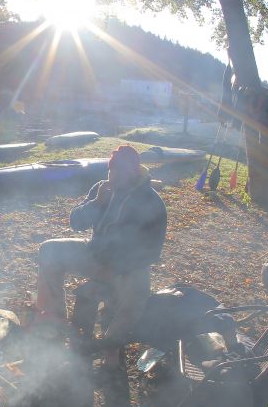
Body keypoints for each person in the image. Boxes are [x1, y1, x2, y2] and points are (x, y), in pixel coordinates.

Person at [32, 144, 167, 345]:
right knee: (49, 250)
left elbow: (152, 251)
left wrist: (115, 268)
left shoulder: (150, 201)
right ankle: (55, 318)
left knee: (137, 297)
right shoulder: (101, 189)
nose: (114, 177)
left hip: (128, 266)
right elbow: (76, 223)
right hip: (93, 252)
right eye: (111, 171)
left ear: (133, 172)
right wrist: (96, 203)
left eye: (120, 172)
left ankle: (110, 344)